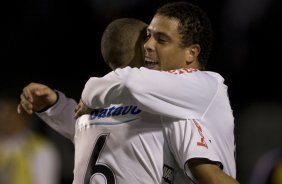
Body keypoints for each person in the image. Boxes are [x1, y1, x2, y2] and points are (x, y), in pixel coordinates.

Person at [18, 17, 238, 184]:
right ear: (144, 51)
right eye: (150, 38)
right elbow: (209, 175)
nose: (154, 44)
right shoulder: (166, 109)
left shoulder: (90, 115)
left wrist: (53, 105)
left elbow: (90, 127)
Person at [77, 1, 238, 183]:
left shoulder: (204, 85)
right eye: (148, 36)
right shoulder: (168, 102)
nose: (148, 45)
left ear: (191, 53)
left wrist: (91, 92)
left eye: (161, 40)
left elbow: (128, 83)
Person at [0, 94, 61, 184]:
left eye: (10, 113)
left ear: (22, 114)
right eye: (2, 113)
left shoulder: (41, 148)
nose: (4, 118)